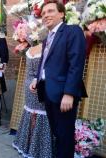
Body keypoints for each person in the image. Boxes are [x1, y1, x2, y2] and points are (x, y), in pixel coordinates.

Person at [29, 1, 87, 158]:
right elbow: (45, 61)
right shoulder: (48, 38)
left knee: (65, 136)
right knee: (57, 133)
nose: (46, 15)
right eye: (43, 13)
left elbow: (76, 64)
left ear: (61, 13)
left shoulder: (72, 31)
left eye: (50, 11)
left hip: (63, 94)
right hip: (48, 91)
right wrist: (37, 78)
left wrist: (69, 93)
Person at [12, 44, 52, 158]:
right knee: (37, 112)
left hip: (33, 82)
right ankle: (37, 147)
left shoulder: (31, 49)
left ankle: (28, 145)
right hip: (36, 83)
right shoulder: (44, 47)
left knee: (37, 112)